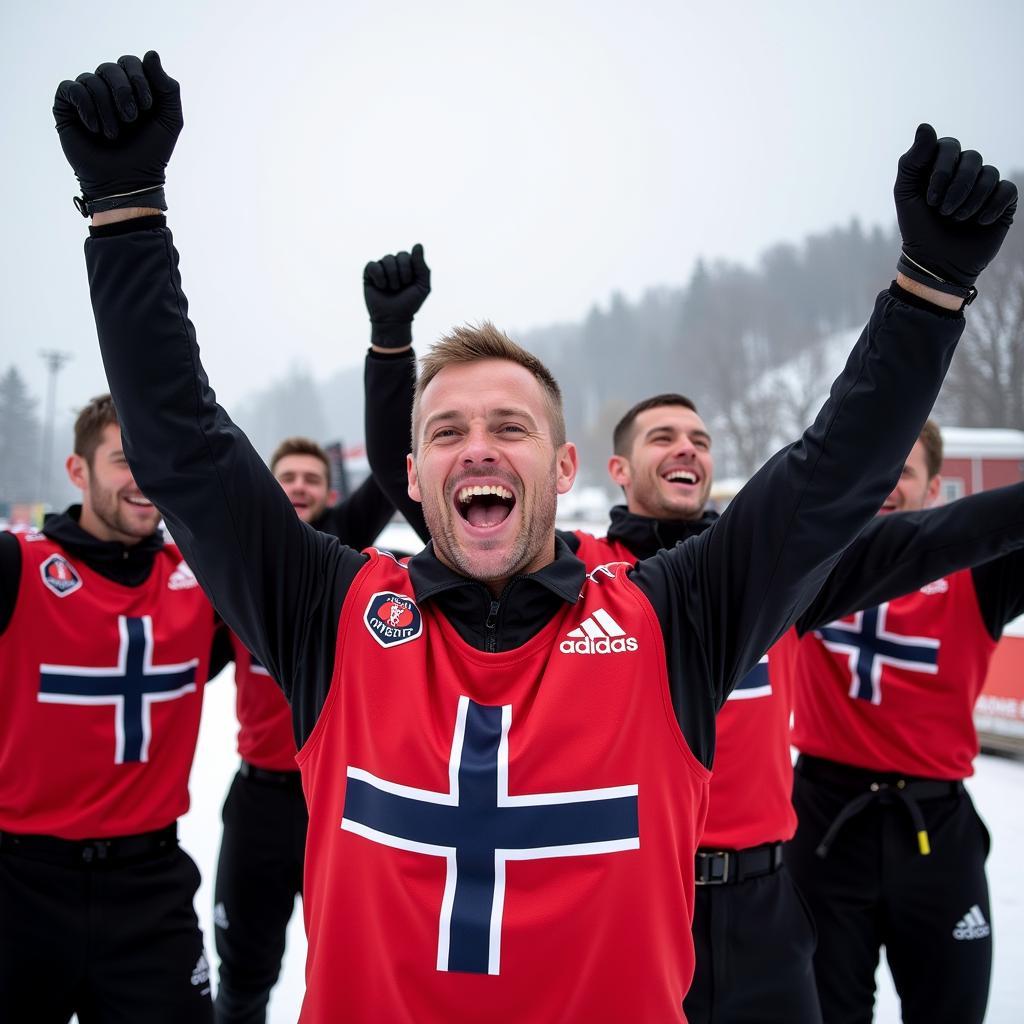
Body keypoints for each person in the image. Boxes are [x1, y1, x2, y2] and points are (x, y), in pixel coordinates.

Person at [55, 51, 1014, 1023]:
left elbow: (823, 483)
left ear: (561, 470)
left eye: (509, 427)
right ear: (414, 478)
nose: (478, 449)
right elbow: (187, 454)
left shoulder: (669, 614)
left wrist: (926, 295)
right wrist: (126, 217)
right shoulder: (331, 614)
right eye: (447, 432)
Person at [565, 397, 1024, 1023]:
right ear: (618, 467)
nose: (685, 448)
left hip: (817, 872)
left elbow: (933, 537)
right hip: (681, 875)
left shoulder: (774, 578)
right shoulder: (591, 574)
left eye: (699, 437)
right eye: (662, 436)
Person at [213, 247, 430, 1024]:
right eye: (287, 480)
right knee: (244, 975)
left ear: (329, 491)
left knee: (359, 973)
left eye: (312, 478)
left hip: (344, 798)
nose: (300, 487)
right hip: (264, 797)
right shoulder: (246, 575)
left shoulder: (346, 558)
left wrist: (392, 339)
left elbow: (396, 467)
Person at [784, 420, 1024, 1024]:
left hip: (934, 827)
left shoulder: (979, 574)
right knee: (824, 1010)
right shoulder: (806, 570)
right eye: (878, 471)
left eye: (905, 472)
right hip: (824, 820)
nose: (887, 485)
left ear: (935, 489)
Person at [0, 395, 221, 1023]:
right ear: (78, 471)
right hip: (21, 887)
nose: (143, 478)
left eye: (154, 460)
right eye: (125, 460)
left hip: (150, 889)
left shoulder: (200, 581)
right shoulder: (19, 566)